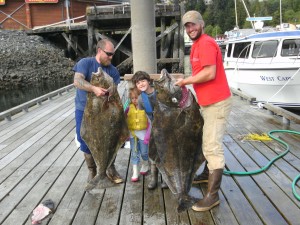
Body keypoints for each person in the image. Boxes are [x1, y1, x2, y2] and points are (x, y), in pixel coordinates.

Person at [175, 11, 232, 211]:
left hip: (217, 103)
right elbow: (201, 72)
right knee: (206, 140)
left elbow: (210, 73)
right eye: (187, 26)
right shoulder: (197, 45)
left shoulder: (206, 43)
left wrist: (186, 81)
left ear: (201, 24)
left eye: (193, 25)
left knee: (212, 146)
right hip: (207, 102)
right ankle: (207, 174)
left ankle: (212, 196)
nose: (190, 29)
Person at [73, 38, 123, 184]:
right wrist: (94, 88)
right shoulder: (85, 63)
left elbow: (115, 90)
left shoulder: (113, 70)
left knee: (111, 139)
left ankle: (110, 168)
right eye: (109, 54)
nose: (111, 57)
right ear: (100, 51)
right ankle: (92, 170)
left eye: (113, 54)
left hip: (107, 112)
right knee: (84, 140)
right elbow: (77, 81)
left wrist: (112, 90)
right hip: (84, 110)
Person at [131, 71, 168, 189]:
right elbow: (145, 117)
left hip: (165, 126)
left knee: (165, 153)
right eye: (138, 83)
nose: (141, 84)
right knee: (153, 153)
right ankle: (154, 178)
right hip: (153, 128)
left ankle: (166, 179)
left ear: (149, 81)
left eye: (143, 81)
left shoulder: (159, 91)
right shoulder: (141, 99)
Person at [125, 87, 150, 182]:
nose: (135, 100)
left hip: (144, 134)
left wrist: (149, 133)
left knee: (144, 152)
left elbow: (150, 121)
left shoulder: (145, 107)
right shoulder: (127, 108)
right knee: (134, 153)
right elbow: (123, 119)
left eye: (136, 97)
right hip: (132, 135)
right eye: (132, 98)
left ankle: (145, 164)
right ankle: (135, 171)